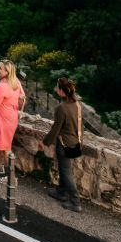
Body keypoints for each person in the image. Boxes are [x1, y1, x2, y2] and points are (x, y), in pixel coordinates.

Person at [39, 76, 83, 212]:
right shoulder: (77, 105)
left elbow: (55, 129)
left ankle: (75, 202)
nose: (56, 89)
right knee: (65, 169)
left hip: (64, 144)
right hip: (75, 142)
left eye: (57, 87)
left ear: (62, 91)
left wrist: (44, 143)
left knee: (66, 172)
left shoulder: (61, 108)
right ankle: (61, 192)